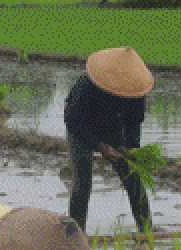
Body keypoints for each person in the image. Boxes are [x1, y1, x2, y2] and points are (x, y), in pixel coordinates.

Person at [64, 46, 154, 232]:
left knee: (134, 179)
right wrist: (100, 146)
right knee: (83, 182)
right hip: (82, 128)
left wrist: (131, 146)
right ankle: (76, 233)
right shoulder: (87, 85)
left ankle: (146, 230)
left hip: (112, 127)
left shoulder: (135, 90)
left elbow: (134, 121)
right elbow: (73, 121)